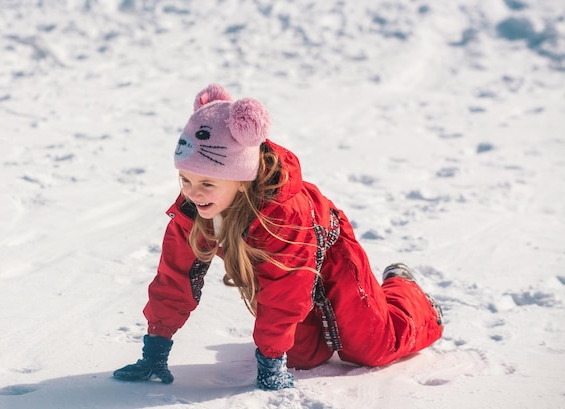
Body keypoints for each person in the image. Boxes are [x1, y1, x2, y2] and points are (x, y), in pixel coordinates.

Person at [113, 83, 444, 390]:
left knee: (373, 345)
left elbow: (286, 291)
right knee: (303, 356)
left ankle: (405, 290)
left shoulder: (284, 216)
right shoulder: (194, 211)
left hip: (330, 258)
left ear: (241, 179)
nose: (193, 193)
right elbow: (174, 279)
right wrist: (156, 347)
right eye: (185, 180)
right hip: (283, 270)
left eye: (207, 184)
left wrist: (270, 361)